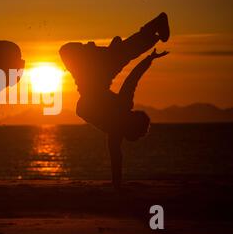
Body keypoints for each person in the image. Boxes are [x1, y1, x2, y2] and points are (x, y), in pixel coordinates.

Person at [59, 13, 170, 189]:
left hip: (89, 71)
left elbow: (116, 157)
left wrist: (116, 184)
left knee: (118, 54)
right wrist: (149, 60)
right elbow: (132, 79)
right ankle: (148, 31)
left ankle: (115, 47)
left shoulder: (115, 129)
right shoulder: (122, 109)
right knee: (120, 54)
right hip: (95, 74)